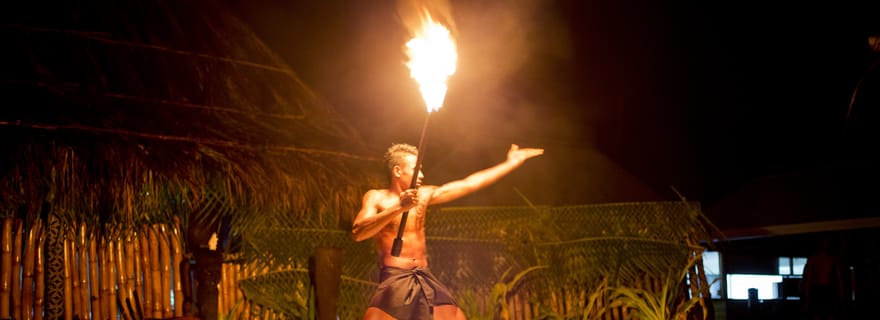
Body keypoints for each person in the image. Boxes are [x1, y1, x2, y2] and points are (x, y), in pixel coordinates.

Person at [352, 143, 544, 320]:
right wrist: (399, 208)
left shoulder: (424, 196)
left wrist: (511, 163)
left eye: (421, 169)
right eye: (416, 169)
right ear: (397, 171)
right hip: (396, 278)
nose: (421, 175)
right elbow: (359, 232)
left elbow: (469, 184)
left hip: (424, 275)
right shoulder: (376, 198)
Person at [802, 237, 844, 320]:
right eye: (824, 243)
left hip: (829, 290)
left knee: (830, 315)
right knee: (818, 315)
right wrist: (806, 299)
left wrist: (842, 298)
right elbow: (807, 280)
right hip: (818, 290)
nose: (825, 245)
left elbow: (839, 279)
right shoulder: (813, 259)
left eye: (827, 242)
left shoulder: (833, 259)